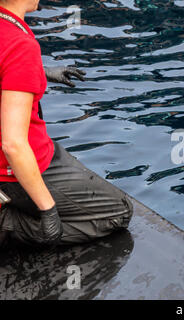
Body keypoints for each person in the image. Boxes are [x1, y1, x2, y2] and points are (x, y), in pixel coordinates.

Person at [0, 0, 133, 248]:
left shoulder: (7, 28)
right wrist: (48, 210)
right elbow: (13, 144)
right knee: (119, 212)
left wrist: (38, 71)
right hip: (12, 171)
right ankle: (7, 221)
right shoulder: (20, 44)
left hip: (27, 156)